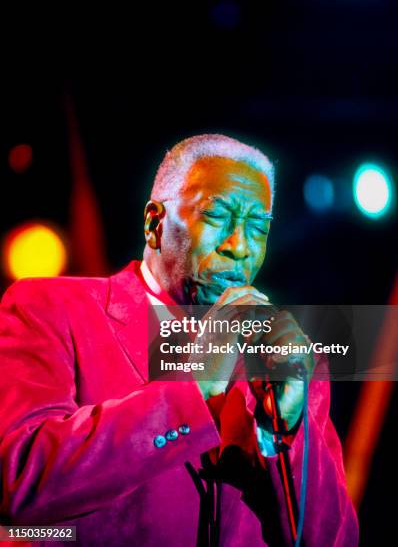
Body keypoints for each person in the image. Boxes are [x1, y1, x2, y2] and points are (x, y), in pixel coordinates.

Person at [0, 134, 359, 546]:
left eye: (257, 227)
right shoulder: (51, 307)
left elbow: (335, 540)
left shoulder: (283, 358)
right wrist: (192, 387)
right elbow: (19, 481)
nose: (239, 246)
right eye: (217, 216)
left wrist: (289, 432)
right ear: (154, 223)